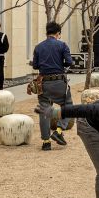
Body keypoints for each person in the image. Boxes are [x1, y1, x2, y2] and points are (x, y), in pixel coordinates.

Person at [31, 21, 74, 151]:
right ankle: (59, 131)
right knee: (68, 106)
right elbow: (69, 62)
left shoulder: (38, 47)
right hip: (59, 82)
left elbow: (35, 66)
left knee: (44, 109)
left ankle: (46, 141)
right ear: (58, 33)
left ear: (47, 32)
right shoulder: (62, 45)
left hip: (43, 83)